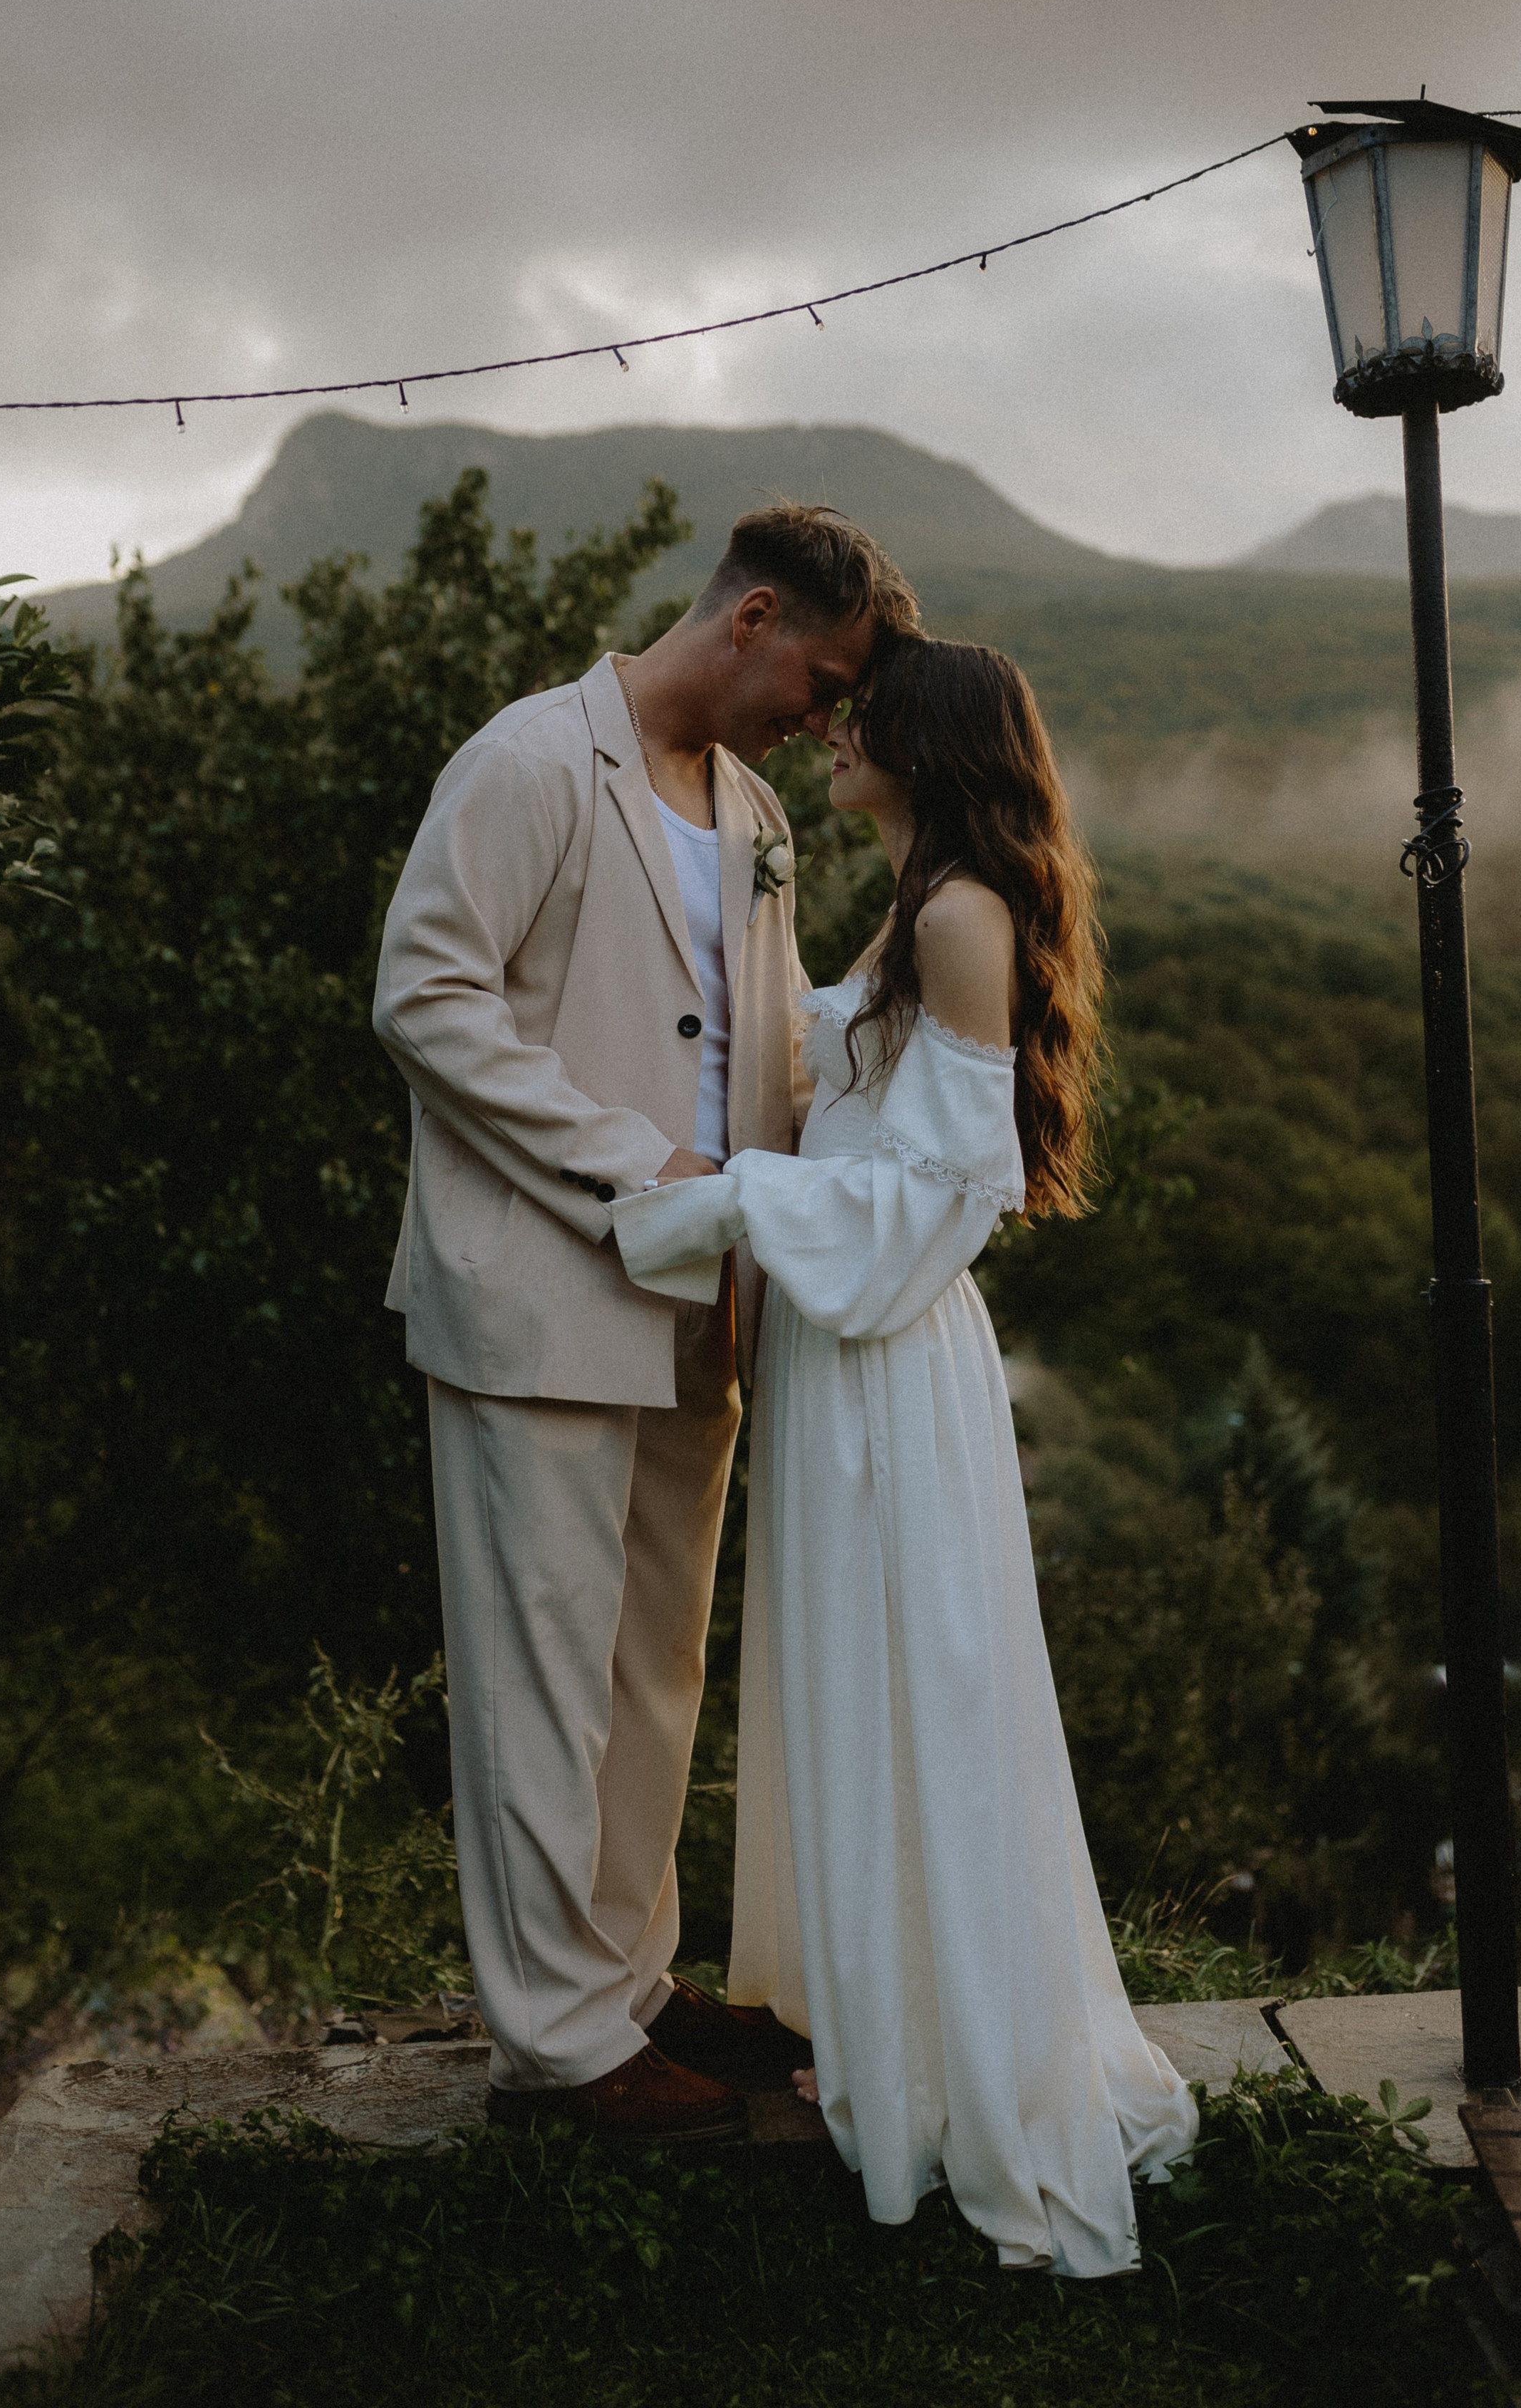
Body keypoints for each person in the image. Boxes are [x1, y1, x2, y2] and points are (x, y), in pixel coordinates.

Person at [613, 635, 1199, 2272]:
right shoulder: (911, 906)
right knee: (859, 1691)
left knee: (914, 1695)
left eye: (860, 719)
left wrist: (723, 1203)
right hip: (836, 1348)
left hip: (886, 1357)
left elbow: (945, 1197)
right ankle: (886, 2025)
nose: (831, 732)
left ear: (927, 749)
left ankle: (950, 2072)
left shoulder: (955, 918)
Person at [373, 502, 920, 2144]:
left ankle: (626, 1979)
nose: (823, 719)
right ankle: (556, 2048)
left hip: (704, 1302)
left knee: (650, 1668)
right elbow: (425, 998)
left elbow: (761, 1044)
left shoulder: (751, 807)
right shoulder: (532, 761)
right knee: (541, 1668)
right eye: (821, 680)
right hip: (542, 1295)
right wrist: (636, 1165)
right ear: (751, 619)